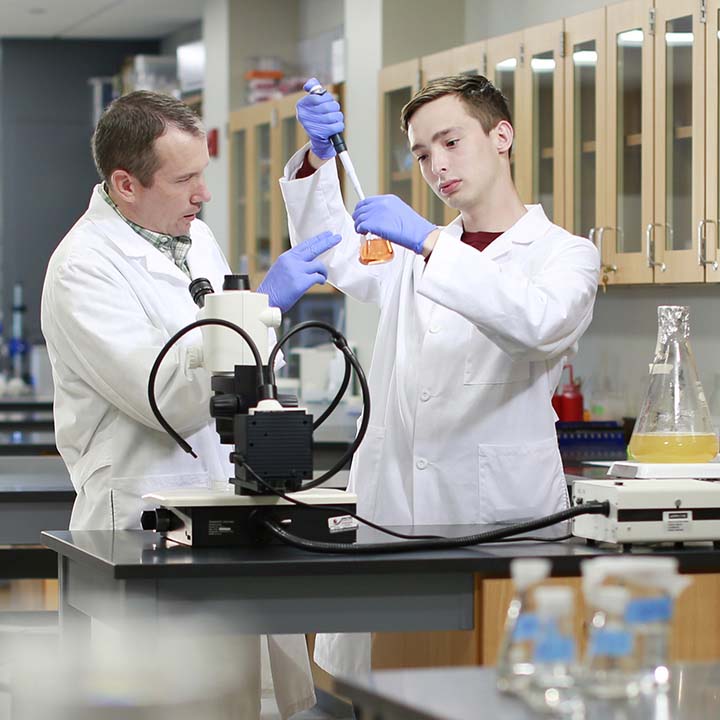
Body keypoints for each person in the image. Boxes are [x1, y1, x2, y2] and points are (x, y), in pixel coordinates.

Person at [280, 75, 600, 676]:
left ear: (501, 135)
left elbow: (538, 323)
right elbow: (329, 249)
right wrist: (320, 162)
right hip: (393, 513)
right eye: (423, 153)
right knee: (381, 690)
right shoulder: (408, 256)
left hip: (499, 523)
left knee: (492, 690)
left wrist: (430, 241)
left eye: (451, 142)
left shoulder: (564, 254)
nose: (437, 165)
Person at [41, 90, 338, 720]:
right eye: (185, 179)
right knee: (176, 702)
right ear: (125, 183)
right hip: (143, 512)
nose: (203, 194)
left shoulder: (194, 238)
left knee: (242, 701)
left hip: (220, 500)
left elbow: (243, 366)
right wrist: (263, 308)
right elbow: (166, 398)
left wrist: (254, 326)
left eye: (202, 173)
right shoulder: (82, 269)